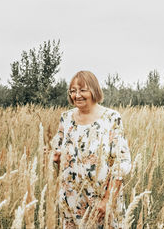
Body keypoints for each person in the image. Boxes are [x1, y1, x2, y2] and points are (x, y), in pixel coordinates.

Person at [52, 71, 131, 229]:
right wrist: (55, 159)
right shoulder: (65, 118)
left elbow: (121, 164)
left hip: (101, 201)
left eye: (82, 90)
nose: (77, 95)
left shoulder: (111, 118)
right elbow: (58, 155)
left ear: (94, 90)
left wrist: (106, 201)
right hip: (71, 200)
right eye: (73, 91)